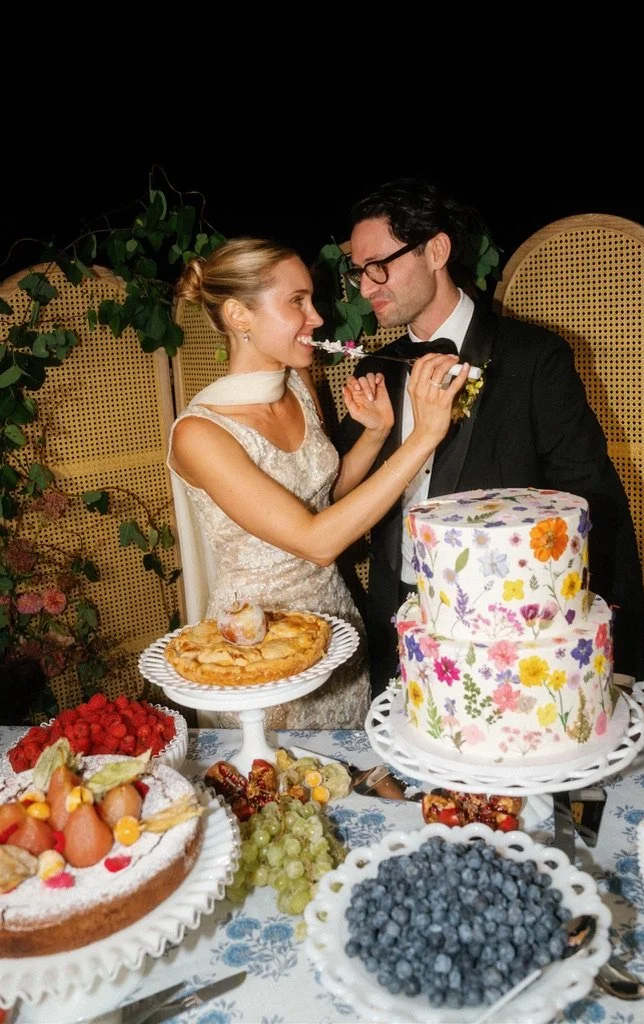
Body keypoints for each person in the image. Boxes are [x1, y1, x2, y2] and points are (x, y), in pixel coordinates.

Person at [333, 178, 644, 696]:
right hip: (398, 620)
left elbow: (593, 499)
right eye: (358, 272)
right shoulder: (375, 369)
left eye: (379, 266)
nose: (366, 288)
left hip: (511, 629)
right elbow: (341, 499)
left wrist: (616, 646)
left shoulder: (534, 358)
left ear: (436, 250)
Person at [167, 236, 468, 730]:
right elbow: (317, 541)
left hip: (336, 628)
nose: (318, 318)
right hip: (258, 648)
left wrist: (376, 436)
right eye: (296, 302)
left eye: (310, 299)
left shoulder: (297, 388)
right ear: (240, 316)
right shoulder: (200, 435)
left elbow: (323, 501)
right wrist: (424, 438)